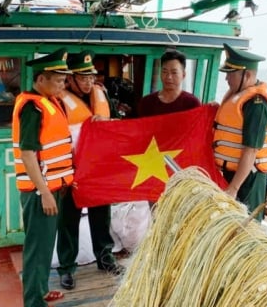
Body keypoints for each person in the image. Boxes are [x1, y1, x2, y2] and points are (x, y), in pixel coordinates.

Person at [57, 50, 124, 292]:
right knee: (68, 221)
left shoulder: (101, 94)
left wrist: (107, 124)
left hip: (98, 169)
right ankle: (66, 268)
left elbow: (118, 126)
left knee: (100, 217)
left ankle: (105, 258)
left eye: (90, 77)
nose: (87, 82)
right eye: (82, 77)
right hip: (72, 171)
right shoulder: (59, 102)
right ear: (70, 79)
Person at [11, 48, 74, 307]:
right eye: (57, 79)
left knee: (46, 245)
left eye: (63, 79)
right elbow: (27, 154)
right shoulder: (32, 107)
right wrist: (45, 192)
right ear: (40, 80)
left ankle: (41, 289)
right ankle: (34, 301)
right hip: (40, 191)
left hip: (54, 186)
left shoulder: (51, 102)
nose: (62, 84)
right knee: (37, 249)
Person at [213, 43, 267, 221]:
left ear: (247, 75)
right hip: (231, 174)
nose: (226, 79)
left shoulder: (257, 104)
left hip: (248, 180)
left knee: (245, 226)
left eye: (230, 74)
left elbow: (252, 150)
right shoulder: (237, 96)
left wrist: (233, 189)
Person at [137, 49, 201, 117]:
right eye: (164, 71)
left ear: (183, 75)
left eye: (174, 72)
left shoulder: (192, 104)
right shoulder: (147, 103)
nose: (169, 77)